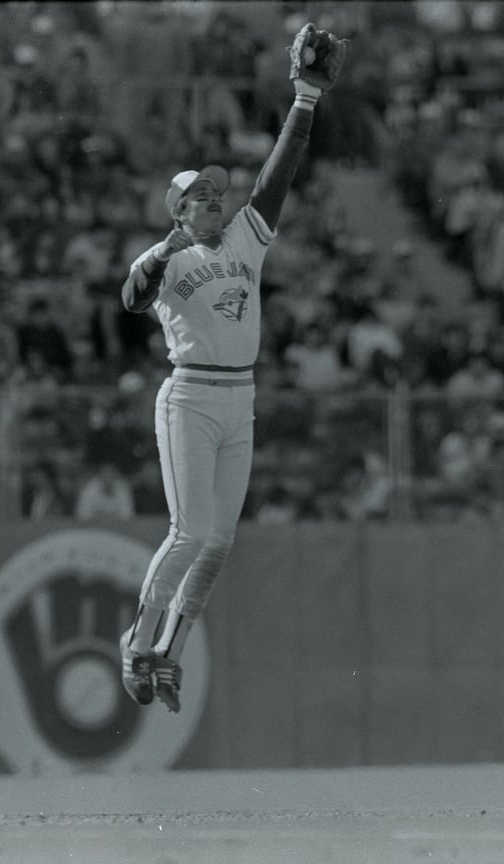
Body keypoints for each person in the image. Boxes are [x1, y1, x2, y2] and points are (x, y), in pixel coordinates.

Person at [117, 23, 347, 712]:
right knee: (187, 531)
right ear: (179, 212)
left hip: (237, 398)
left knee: (217, 541)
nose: (216, 201)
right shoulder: (167, 260)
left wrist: (304, 99)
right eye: (201, 198)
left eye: (217, 194)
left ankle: (170, 657)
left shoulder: (246, 240)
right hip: (187, 396)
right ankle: (137, 640)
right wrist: (162, 249)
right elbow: (129, 300)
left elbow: (280, 173)